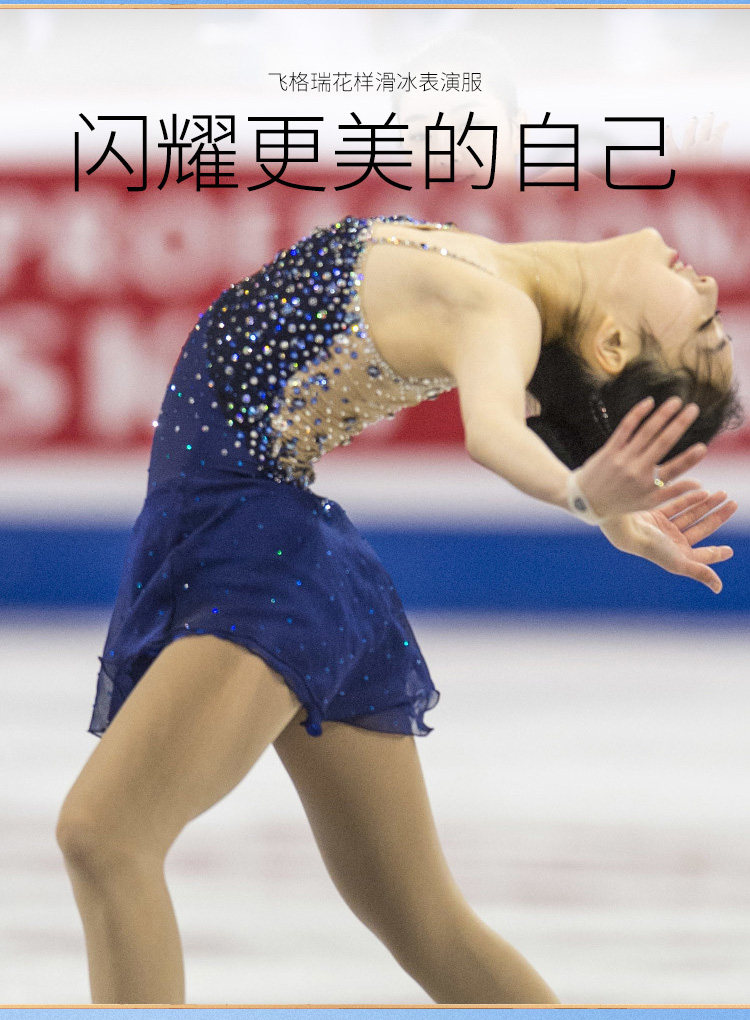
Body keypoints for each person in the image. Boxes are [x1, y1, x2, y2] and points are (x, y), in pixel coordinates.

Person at [57, 214, 741, 1005]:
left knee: (106, 837)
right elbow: (542, 401)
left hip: (260, 559)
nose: (708, 287)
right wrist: (607, 509)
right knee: (425, 924)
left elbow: (494, 430)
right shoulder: (511, 293)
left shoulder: (497, 305)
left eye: (704, 326)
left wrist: (584, 498)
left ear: (614, 343)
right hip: (278, 554)